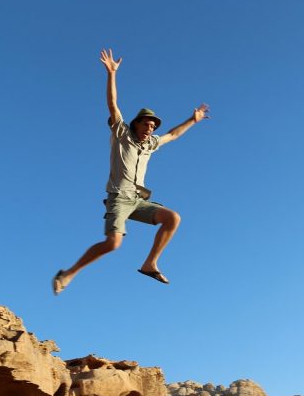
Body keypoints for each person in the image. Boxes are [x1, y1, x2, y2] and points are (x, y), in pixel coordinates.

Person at [52, 48, 209, 295]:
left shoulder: (150, 144)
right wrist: (111, 74)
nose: (151, 127)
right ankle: (68, 274)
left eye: (153, 125)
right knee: (113, 243)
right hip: (118, 198)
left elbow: (173, 135)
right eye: (147, 123)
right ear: (136, 123)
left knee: (173, 218)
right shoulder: (121, 134)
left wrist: (193, 120)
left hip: (137, 200)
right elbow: (112, 104)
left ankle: (150, 264)